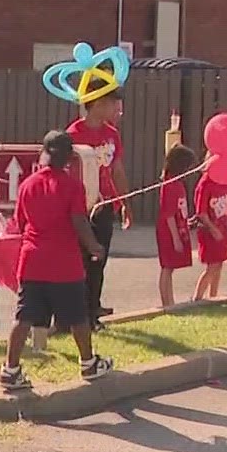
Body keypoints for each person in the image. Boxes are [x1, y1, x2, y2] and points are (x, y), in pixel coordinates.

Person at [0, 130, 115, 392]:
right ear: (69, 158)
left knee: (24, 316)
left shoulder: (27, 184)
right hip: (64, 263)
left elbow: (20, 222)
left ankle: (11, 369)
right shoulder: (73, 186)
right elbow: (78, 221)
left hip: (32, 260)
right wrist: (95, 246)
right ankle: (88, 362)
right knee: (78, 316)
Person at [65, 89, 131, 320]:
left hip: (105, 207)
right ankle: (78, 311)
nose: (117, 110)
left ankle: (93, 306)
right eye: (114, 104)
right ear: (99, 103)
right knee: (81, 259)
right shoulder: (73, 134)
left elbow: (117, 170)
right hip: (81, 210)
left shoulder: (112, 134)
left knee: (99, 258)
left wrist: (124, 202)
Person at [191, 144, 227, 301]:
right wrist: (213, 229)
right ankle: (197, 298)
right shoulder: (205, 184)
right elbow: (201, 213)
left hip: (223, 229)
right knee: (212, 266)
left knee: (220, 264)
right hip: (209, 231)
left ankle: (213, 296)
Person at [155, 144, 198, 308]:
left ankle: (170, 301)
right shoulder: (170, 185)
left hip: (177, 228)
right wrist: (176, 238)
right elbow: (168, 215)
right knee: (167, 267)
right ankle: (166, 302)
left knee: (170, 268)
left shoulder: (178, 184)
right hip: (168, 232)